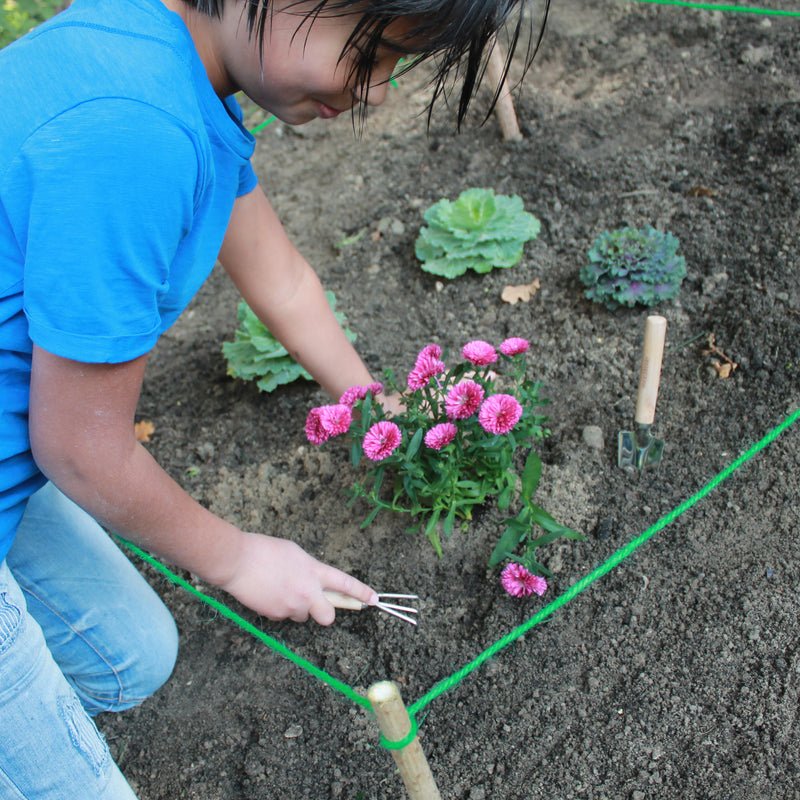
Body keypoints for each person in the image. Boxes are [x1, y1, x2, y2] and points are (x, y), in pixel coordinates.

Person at [0, 0, 545, 796]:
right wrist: (240, 556)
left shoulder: (165, 56)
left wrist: (375, 406)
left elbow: (282, 279)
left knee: (131, 661)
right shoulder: (136, 133)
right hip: (50, 446)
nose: (378, 92)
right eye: (370, 54)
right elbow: (81, 448)